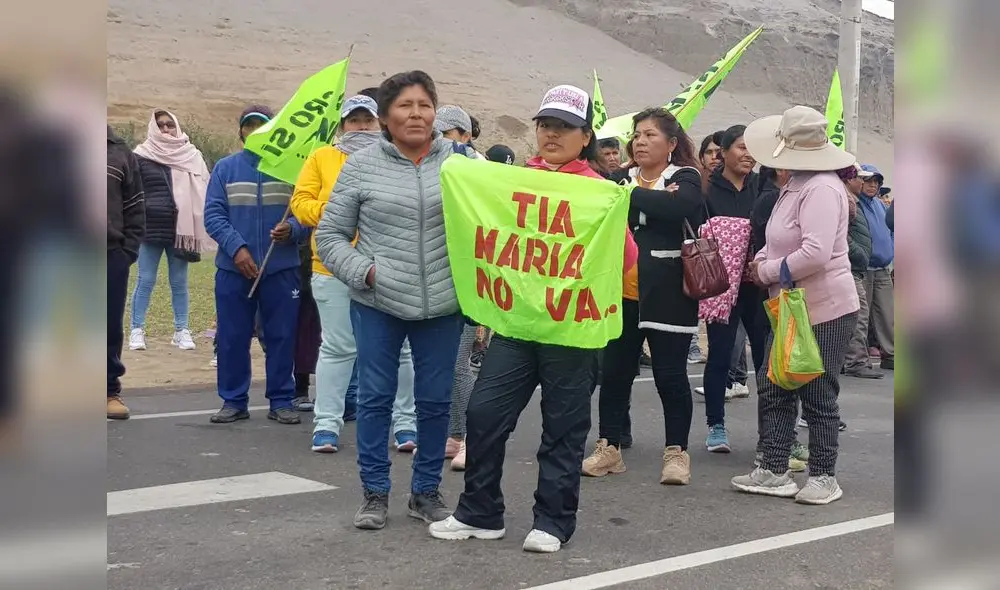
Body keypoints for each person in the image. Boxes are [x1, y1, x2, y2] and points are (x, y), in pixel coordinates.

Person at [429, 84, 638, 553]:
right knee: (483, 414)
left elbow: (626, 258)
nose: (552, 134)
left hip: (571, 330)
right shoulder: (515, 181)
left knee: (562, 428)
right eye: (545, 124)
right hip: (516, 326)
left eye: (564, 127)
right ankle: (479, 512)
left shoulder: (601, 192)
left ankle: (553, 521)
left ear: (585, 136)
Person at [316, 71, 470, 530]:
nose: (417, 114)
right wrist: (366, 272)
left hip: (443, 303)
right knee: (376, 399)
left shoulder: (461, 164)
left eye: (425, 104)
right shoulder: (360, 166)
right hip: (378, 301)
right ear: (384, 117)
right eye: (405, 105)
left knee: (435, 400)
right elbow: (330, 234)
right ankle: (374, 494)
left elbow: (489, 227)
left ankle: (425, 493)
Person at [734, 105, 860, 505]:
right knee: (775, 384)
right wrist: (764, 262)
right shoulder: (796, 184)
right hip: (793, 305)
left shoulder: (820, 187)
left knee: (817, 390)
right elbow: (780, 239)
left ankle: (824, 476)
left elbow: (816, 252)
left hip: (824, 305)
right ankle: (774, 469)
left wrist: (767, 270)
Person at [290, 94, 418, 453]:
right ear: (342, 124)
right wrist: (339, 208)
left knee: (402, 350)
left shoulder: (394, 157)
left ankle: (406, 425)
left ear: (379, 123)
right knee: (337, 347)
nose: (361, 127)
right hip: (332, 266)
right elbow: (300, 203)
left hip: (388, 266)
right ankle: (326, 426)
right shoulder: (321, 157)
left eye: (367, 120)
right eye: (354, 120)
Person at [582, 107, 703, 485]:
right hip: (620, 291)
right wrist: (646, 197)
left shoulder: (685, 176)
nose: (641, 141)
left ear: (671, 143)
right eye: (637, 134)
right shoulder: (621, 176)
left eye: (651, 135)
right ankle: (609, 447)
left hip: (669, 291)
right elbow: (603, 205)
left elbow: (681, 206)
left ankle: (676, 453)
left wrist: (631, 196)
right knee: (615, 373)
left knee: (670, 375)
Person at [204, 105, 310, 425]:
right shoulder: (225, 168)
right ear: (241, 132)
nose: (254, 131)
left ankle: (281, 400)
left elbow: (306, 214)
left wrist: (292, 229)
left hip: (281, 268)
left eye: (261, 126)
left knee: (281, 335)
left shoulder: (292, 171)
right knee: (232, 336)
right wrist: (237, 249)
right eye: (249, 126)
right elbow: (213, 215)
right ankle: (233, 400)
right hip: (233, 269)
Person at [446, 143, 518, 471]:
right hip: (455, 293)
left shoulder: (506, 201)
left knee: (469, 369)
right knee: (449, 367)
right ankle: (454, 435)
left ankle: (471, 440)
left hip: (487, 299)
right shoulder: (463, 193)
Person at [700, 124, 766, 453]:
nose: (747, 154)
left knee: (767, 360)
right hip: (721, 287)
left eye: (752, 148)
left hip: (758, 285)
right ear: (722, 151)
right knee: (721, 355)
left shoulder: (763, 186)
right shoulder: (706, 189)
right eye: (741, 147)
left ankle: (772, 431)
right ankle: (716, 425)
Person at [127, 110, 210, 353]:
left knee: (179, 282)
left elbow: (204, 188)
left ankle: (181, 330)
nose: (165, 130)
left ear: (177, 127)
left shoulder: (192, 156)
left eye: (169, 125)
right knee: (146, 279)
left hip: (181, 231)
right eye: (160, 125)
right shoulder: (140, 156)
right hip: (149, 229)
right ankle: (137, 329)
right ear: (153, 127)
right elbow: (130, 193)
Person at [107, 124, 146, 420]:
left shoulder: (120, 153)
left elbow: (135, 207)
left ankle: (108, 391)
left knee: (107, 326)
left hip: (110, 254)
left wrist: (127, 252)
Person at [841, 165, 884, 379]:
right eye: (860, 178)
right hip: (851, 266)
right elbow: (841, 233)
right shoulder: (846, 200)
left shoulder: (854, 201)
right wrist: (858, 253)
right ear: (849, 179)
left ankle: (849, 360)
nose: (864, 183)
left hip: (855, 267)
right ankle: (855, 361)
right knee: (858, 315)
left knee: (856, 314)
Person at [858, 164, 895, 370]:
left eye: (875, 182)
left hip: (882, 268)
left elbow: (891, 231)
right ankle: (858, 357)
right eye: (868, 181)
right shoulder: (855, 204)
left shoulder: (880, 205)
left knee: (887, 314)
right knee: (861, 316)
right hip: (864, 267)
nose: (872, 185)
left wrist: (892, 250)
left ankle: (890, 354)